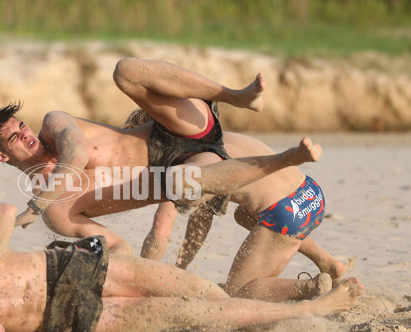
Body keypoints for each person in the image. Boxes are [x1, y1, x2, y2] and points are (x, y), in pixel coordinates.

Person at [0, 203, 363, 332]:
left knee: (196, 289)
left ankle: (284, 300)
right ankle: (314, 306)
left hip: (73, 266)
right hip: (73, 319)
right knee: (193, 313)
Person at [0, 58, 322, 261]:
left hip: (172, 126)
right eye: (14, 137)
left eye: (21, 126)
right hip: (186, 167)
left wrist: (33, 209)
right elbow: (119, 249)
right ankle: (290, 157)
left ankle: (237, 95)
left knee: (124, 69)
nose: (25, 133)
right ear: (3, 155)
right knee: (182, 185)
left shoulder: (55, 124)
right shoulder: (58, 211)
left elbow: (77, 155)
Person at [122, 111, 351, 294]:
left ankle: (311, 287)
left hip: (285, 214)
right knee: (242, 215)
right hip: (311, 193)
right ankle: (329, 263)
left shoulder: (186, 166)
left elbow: (162, 230)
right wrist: (181, 269)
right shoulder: (211, 139)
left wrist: (144, 282)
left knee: (238, 293)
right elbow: (201, 222)